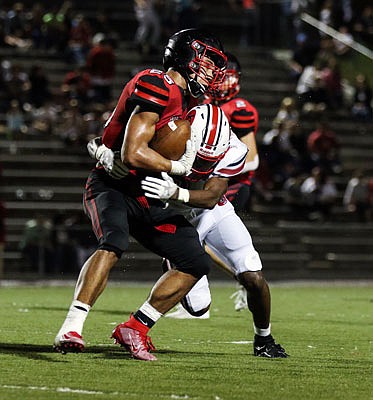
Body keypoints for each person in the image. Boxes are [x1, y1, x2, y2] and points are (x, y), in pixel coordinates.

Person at [53, 28, 228, 361]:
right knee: (114, 241)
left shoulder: (192, 101)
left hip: (149, 191)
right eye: (206, 62)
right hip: (114, 185)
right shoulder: (157, 83)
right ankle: (72, 326)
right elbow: (133, 153)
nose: (211, 72)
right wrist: (176, 169)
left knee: (194, 261)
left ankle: (136, 326)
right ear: (187, 57)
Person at [155, 54, 288, 358]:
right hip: (175, 203)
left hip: (215, 193)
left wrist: (212, 169)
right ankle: (138, 326)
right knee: (199, 304)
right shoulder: (176, 100)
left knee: (253, 276)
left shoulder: (237, 112)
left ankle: (264, 339)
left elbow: (247, 159)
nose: (217, 78)